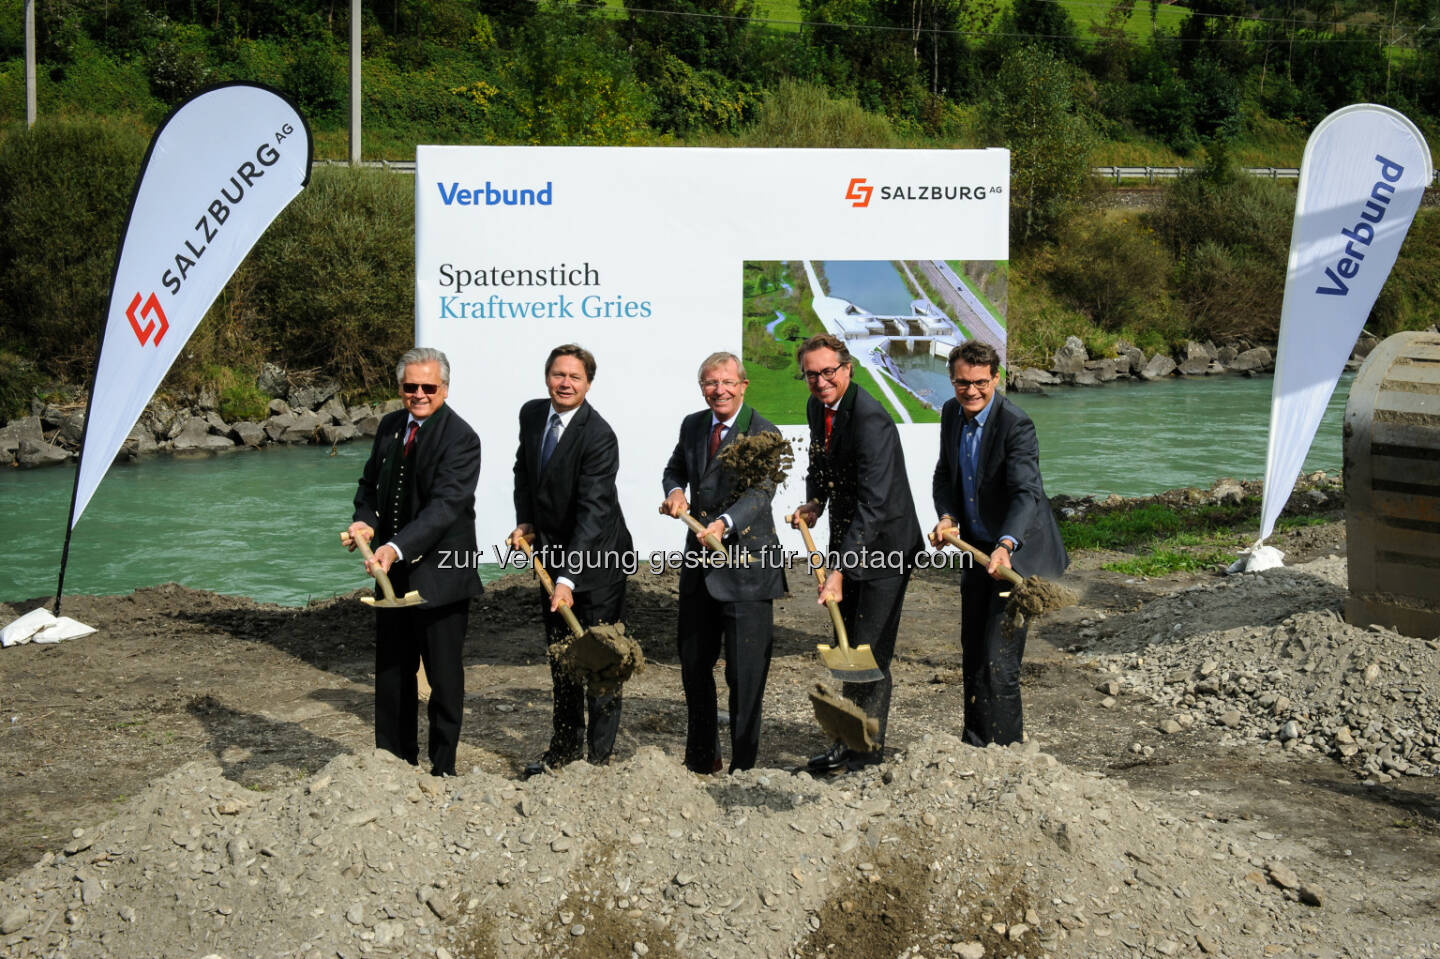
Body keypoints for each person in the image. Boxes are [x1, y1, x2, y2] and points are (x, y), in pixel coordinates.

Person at [789, 333, 923, 773]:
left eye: (829, 371)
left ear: (847, 369)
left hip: (885, 548)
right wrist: (815, 501)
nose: (821, 381)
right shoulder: (817, 408)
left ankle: (868, 754)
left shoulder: (870, 420)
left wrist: (840, 570)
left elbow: (875, 503)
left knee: (870, 654)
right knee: (850, 652)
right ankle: (847, 742)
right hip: (850, 540)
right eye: (812, 374)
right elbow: (820, 463)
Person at [346, 347, 482, 777]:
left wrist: (395, 547)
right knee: (391, 672)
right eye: (411, 387)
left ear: (444, 388)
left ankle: (444, 768)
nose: (419, 394)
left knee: (443, 678)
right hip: (393, 573)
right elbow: (368, 488)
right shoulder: (389, 426)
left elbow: (445, 508)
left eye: (428, 387)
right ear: (400, 388)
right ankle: (393, 762)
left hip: (442, 574)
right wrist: (365, 523)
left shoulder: (462, 438)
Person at [930, 341, 1069, 747]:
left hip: (1016, 556)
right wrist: (947, 516)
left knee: (1000, 661)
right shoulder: (951, 414)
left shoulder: (1016, 425)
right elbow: (945, 474)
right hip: (975, 549)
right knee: (972, 653)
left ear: (995, 378)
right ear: (952, 380)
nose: (970, 391)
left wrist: (1006, 544)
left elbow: (1027, 493)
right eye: (961, 383)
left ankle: (1008, 754)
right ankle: (975, 744)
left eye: (979, 383)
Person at [510, 344, 633, 778]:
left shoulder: (599, 436)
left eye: (574, 377)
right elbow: (523, 472)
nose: (565, 383)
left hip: (597, 564)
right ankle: (562, 752)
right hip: (551, 557)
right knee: (562, 657)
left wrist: (568, 578)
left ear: (588, 384)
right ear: (547, 377)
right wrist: (525, 521)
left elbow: (593, 514)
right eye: (558, 375)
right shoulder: (531, 414)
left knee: (600, 661)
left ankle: (598, 761)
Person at [659, 351, 787, 774]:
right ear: (702, 388)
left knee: (745, 676)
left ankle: (744, 767)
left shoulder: (764, 433)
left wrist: (723, 524)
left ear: (744, 386)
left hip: (746, 567)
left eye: (728, 382)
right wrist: (676, 491)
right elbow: (675, 468)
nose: (720, 390)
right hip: (700, 568)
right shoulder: (693, 425)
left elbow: (760, 494)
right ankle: (702, 757)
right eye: (711, 383)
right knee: (694, 664)